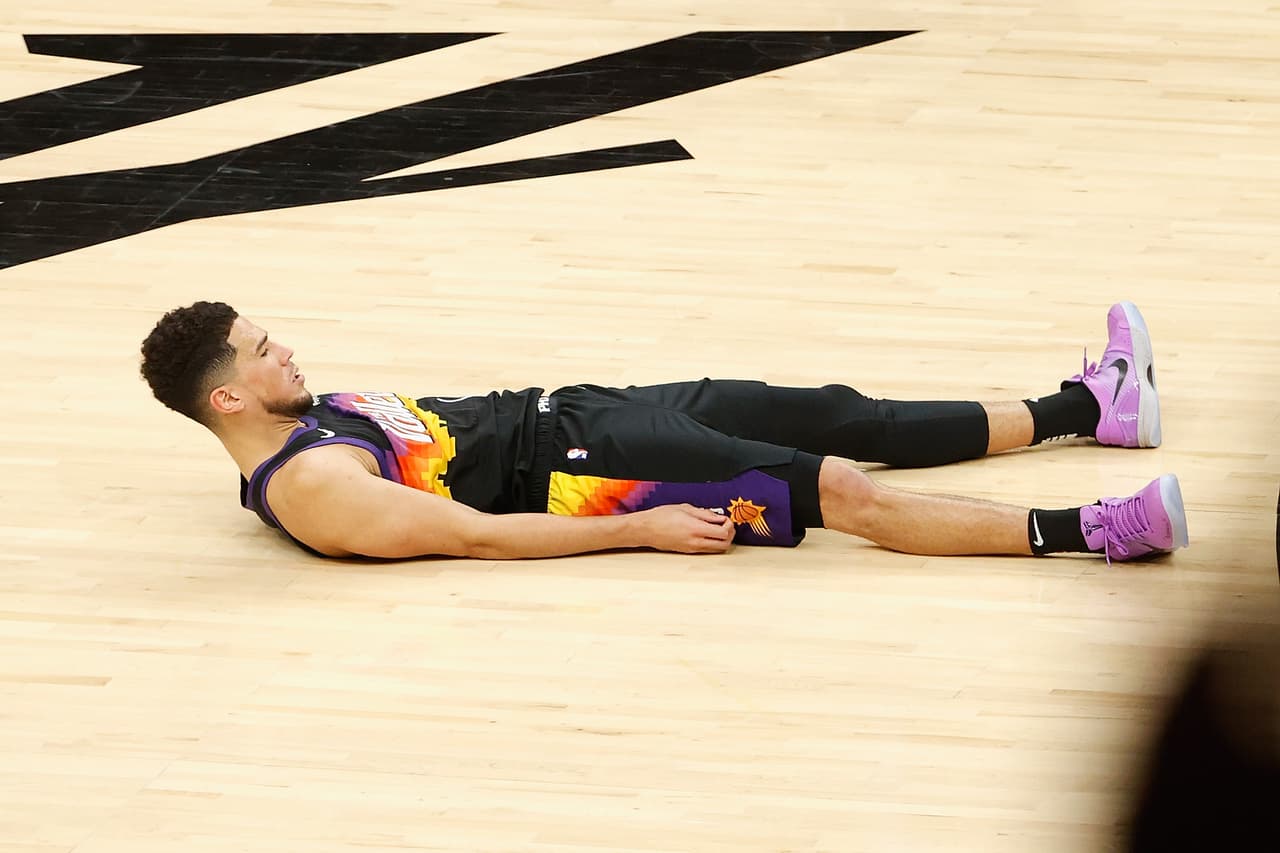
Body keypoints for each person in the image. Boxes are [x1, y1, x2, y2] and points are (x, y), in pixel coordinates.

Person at [139, 301, 1188, 562]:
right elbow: (476, 535)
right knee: (836, 486)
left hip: (585, 406)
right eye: (262, 354)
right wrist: (635, 530)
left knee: (834, 410)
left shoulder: (293, 406)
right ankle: (1094, 529)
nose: (285, 355)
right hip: (592, 467)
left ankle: (1091, 409)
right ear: (224, 400)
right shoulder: (310, 484)